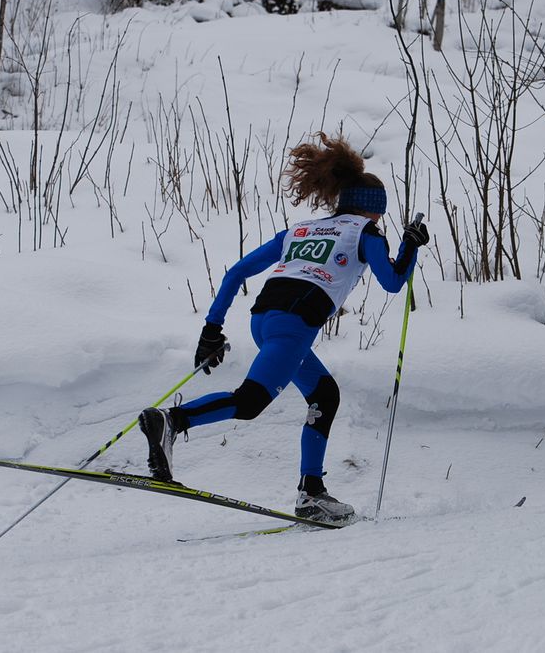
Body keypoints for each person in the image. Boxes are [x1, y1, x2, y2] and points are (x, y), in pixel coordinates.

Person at [138, 132, 430, 523]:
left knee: (324, 394)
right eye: (381, 214)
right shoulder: (366, 233)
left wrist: (212, 327)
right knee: (249, 402)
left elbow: (238, 271)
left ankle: (312, 493)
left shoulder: (301, 230)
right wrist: (411, 245)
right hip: (294, 326)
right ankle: (171, 422)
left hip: (265, 320)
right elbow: (393, 282)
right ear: (372, 211)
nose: (380, 220)